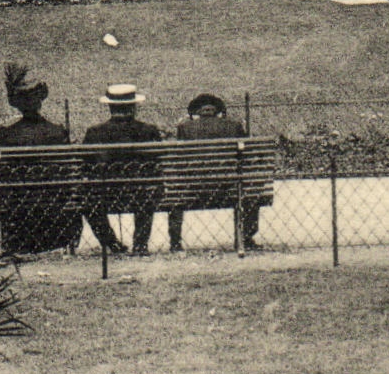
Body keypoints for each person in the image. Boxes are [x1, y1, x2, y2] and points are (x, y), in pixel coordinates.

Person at [0, 64, 93, 253]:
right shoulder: (57, 132)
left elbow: (0, 175)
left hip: (18, 215)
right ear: (40, 101)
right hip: (55, 214)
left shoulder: (7, 136)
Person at [82, 85, 164, 256]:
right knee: (147, 189)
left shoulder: (94, 133)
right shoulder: (149, 131)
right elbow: (157, 163)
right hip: (141, 194)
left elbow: (86, 165)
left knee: (89, 202)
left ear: (110, 106)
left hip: (106, 194)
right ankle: (140, 244)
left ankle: (112, 244)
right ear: (133, 107)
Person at [172, 93, 259, 251]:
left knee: (175, 192)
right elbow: (246, 156)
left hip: (193, 189)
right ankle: (245, 237)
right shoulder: (233, 126)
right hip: (227, 188)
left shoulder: (184, 128)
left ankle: (175, 242)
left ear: (196, 111)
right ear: (218, 110)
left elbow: (180, 159)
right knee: (250, 187)